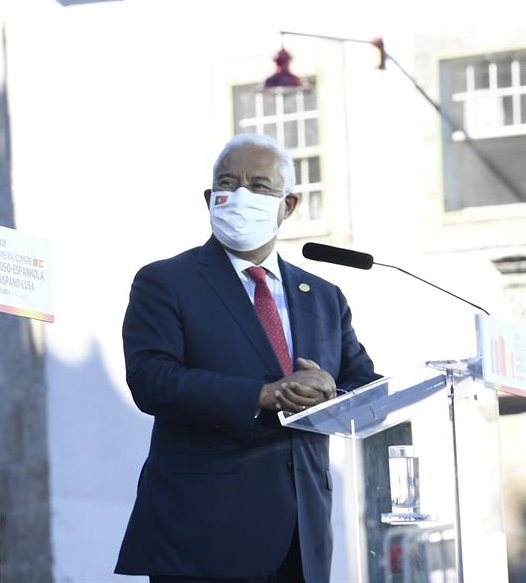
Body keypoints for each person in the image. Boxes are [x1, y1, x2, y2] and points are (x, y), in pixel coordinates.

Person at [115, 133, 379, 583]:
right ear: (209, 198)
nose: (240, 196)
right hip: (203, 536)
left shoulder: (323, 297)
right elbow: (152, 379)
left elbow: (367, 388)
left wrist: (331, 393)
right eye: (228, 183)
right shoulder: (166, 282)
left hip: (303, 538)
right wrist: (261, 394)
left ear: (289, 205)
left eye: (259, 186)